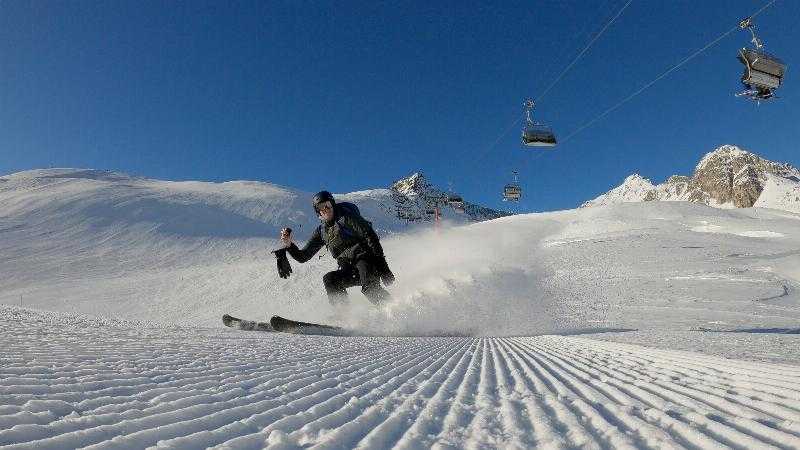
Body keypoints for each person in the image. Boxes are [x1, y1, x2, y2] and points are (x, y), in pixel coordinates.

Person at [276, 191, 394, 306]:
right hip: (350, 269)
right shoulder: (321, 232)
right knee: (331, 280)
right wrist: (289, 245)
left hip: (367, 261)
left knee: (370, 289)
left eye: (328, 205)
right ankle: (343, 317)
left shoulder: (346, 218)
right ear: (318, 212)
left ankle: (395, 311)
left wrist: (383, 267)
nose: (326, 209)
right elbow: (303, 256)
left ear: (333, 204)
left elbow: (370, 236)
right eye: (321, 207)